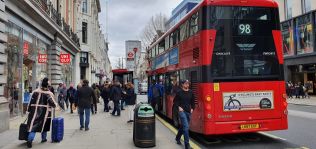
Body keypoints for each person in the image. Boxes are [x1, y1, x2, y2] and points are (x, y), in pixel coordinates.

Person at [26, 78, 58, 148]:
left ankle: (30, 140)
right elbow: (53, 104)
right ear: (48, 85)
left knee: (33, 127)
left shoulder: (35, 92)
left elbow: (30, 102)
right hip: (45, 113)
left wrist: (28, 110)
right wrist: (55, 105)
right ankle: (43, 139)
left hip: (34, 113)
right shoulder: (49, 94)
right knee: (45, 126)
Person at [174, 79, 196, 149]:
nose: (187, 85)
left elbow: (193, 101)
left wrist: (192, 108)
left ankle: (177, 138)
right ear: (182, 85)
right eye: (186, 84)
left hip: (188, 111)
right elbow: (175, 101)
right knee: (186, 128)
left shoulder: (191, 92)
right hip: (182, 111)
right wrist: (179, 107)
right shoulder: (179, 92)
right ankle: (187, 145)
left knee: (183, 127)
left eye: (188, 83)